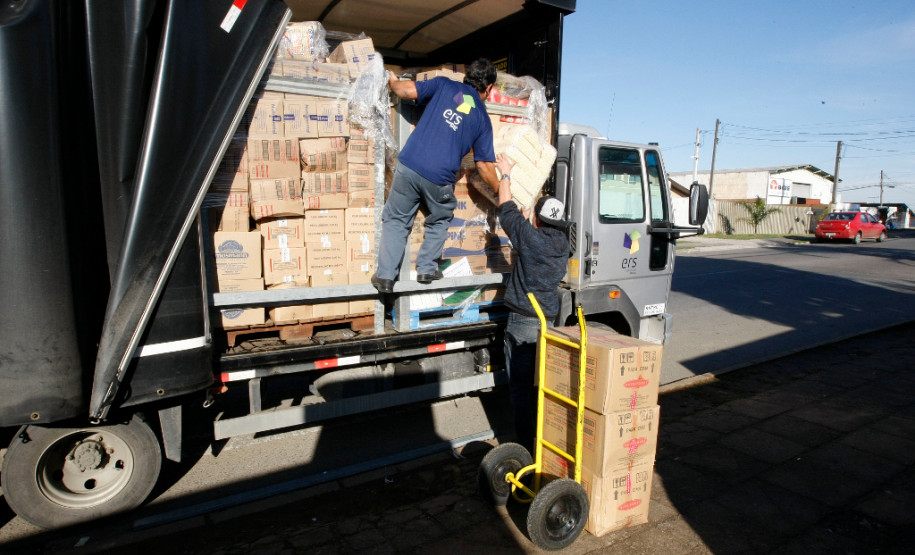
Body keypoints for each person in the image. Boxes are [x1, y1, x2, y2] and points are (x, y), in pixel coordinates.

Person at [372, 59, 503, 294]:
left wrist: (392, 80)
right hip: (439, 178)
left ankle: (384, 277)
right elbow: (484, 166)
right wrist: (502, 191)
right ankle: (426, 268)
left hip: (409, 165)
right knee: (440, 218)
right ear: (490, 88)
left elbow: (406, 90)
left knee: (396, 219)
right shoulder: (483, 118)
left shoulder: (444, 85)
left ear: (468, 76)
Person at [494, 156, 571, 453]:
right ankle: (545, 438)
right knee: (541, 386)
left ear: (537, 219)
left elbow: (504, 205)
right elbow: (534, 244)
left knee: (521, 388)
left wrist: (506, 173)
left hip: (524, 322)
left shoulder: (530, 237)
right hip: (548, 323)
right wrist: (529, 225)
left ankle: (527, 447)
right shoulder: (562, 245)